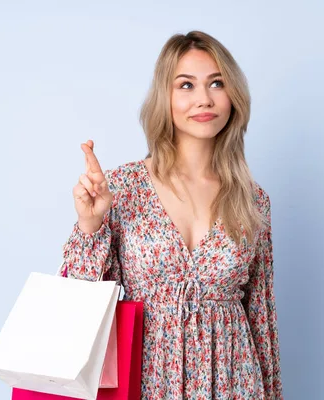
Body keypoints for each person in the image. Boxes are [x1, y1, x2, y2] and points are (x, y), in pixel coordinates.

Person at [58, 30, 285, 399]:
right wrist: (90, 223)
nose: (204, 99)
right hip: (146, 381)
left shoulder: (252, 199)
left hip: (233, 383)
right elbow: (77, 305)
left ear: (233, 97)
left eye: (217, 83)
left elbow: (261, 317)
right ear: (165, 96)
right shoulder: (123, 187)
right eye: (186, 85)